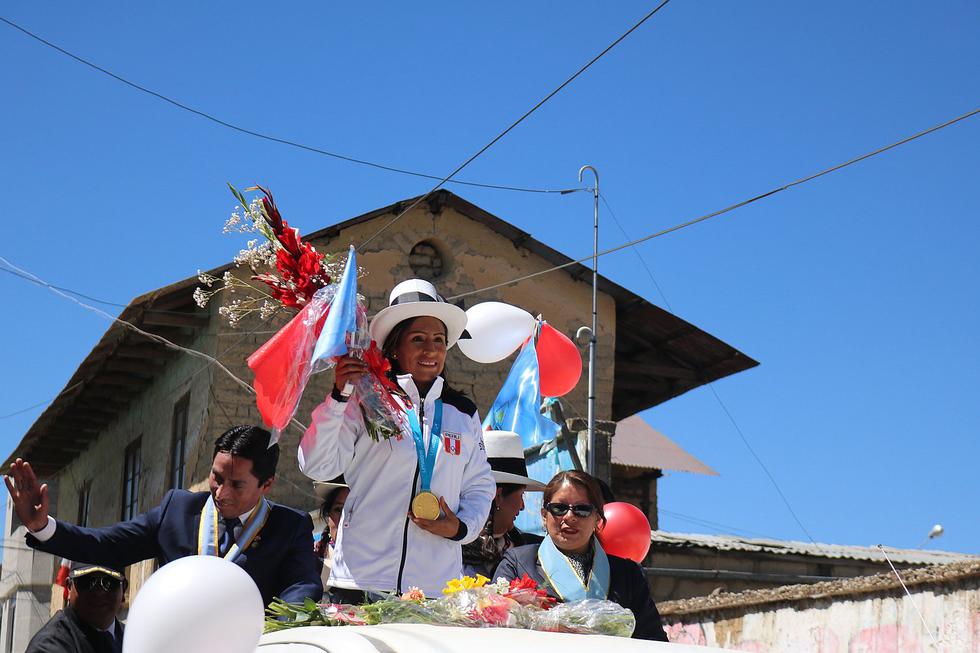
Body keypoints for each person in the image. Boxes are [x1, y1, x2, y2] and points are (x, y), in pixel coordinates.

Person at [299, 278, 496, 600]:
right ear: (394, 347)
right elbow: (318, 466)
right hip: (360, 580)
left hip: (435, 586)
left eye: (439, 340)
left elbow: (479, 485)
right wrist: (338, 396)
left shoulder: (462, 412)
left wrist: (460, 529)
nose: (431, 349)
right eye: (417, 339)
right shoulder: (365, 400)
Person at [6, 425, 322, 607]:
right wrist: (41, 526)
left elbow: (302, 590)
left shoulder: (290, 527)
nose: (221, 492)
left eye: (237, 484)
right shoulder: (177, 510)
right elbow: (106, 544)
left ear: (267, 484)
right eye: (216, 477)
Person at [493, 470, 669, 642]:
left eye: (582, 510)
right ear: (544, 516)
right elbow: (495, 626)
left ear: (597, 519)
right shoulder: (517, 562)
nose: (569, 517)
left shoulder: (628, 574)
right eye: (559, 508)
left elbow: (653, 640)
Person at [462, 430, 544, 578]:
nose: (522, 506)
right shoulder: (452, 549)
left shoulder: (532, 550)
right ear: (498, 496)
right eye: (521, 495)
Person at [26, 562, 126, 653]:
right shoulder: (48, 645)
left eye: (108, 583)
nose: (99, 592)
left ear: (123, 590)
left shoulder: (133, 637)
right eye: (87, 582)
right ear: (69, 587)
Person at [312, 477, 349, 591]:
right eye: (339, 510)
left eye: (356, 510)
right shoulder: (310, 556)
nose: (345, 520)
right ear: (328, 515)